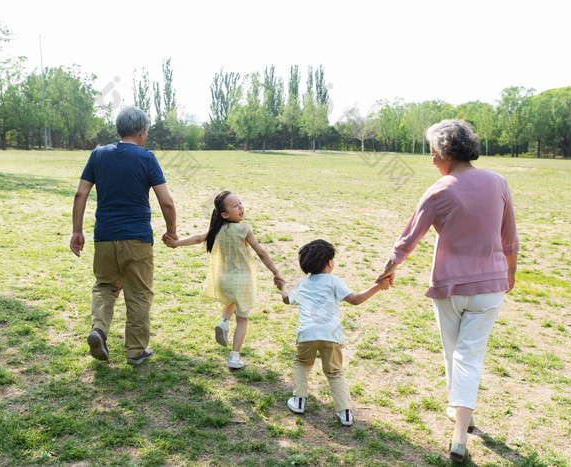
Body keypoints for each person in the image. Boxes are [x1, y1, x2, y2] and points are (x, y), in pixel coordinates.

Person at [375, 119, 518, 462]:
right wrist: (510, 273)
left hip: (450, 288)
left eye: (432, 152)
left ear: (444, 152)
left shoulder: (439, 189)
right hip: (490, 287)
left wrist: (387, 271)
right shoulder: (498, 182)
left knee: (456, 353)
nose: (431, 160)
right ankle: (461, 415)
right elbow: (510, 237)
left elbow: (408, 239)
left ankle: (459, 435)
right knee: (468, 355)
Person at [70, 106, 177, 366]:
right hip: (137, 238)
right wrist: (171, 231)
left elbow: (80, 194)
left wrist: (77, 230)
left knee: (105, 287)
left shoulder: (98, 155)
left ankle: (99, 330)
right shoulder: (146, 158)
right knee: (138, 294)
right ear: (142, 131)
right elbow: (167, 203)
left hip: (104, 236)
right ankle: (135, 351)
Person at [163, 191, 283, 369]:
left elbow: (197, 238)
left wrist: (176, 243)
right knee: (242, 320)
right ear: (225, 214)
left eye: (240, 203)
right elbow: (261, 252)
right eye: (235, 206)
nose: (241, 207)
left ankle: (224, 322)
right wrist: (276, 272)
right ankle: (234, 357)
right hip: (242, 281)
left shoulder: (216, 230)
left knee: (230, 302)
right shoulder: (244, 229)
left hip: (224, 281)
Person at [277, 240, 390, 426]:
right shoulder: (333, 281)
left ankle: (298, 400)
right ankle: (345, 413)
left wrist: (281, 286)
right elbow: (355, 300)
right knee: (335, 372)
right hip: (331, 335)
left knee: (302, 363)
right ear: (329, 262)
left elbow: (287, 299)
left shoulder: (303, 283)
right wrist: (378, 286)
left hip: (307, 334)